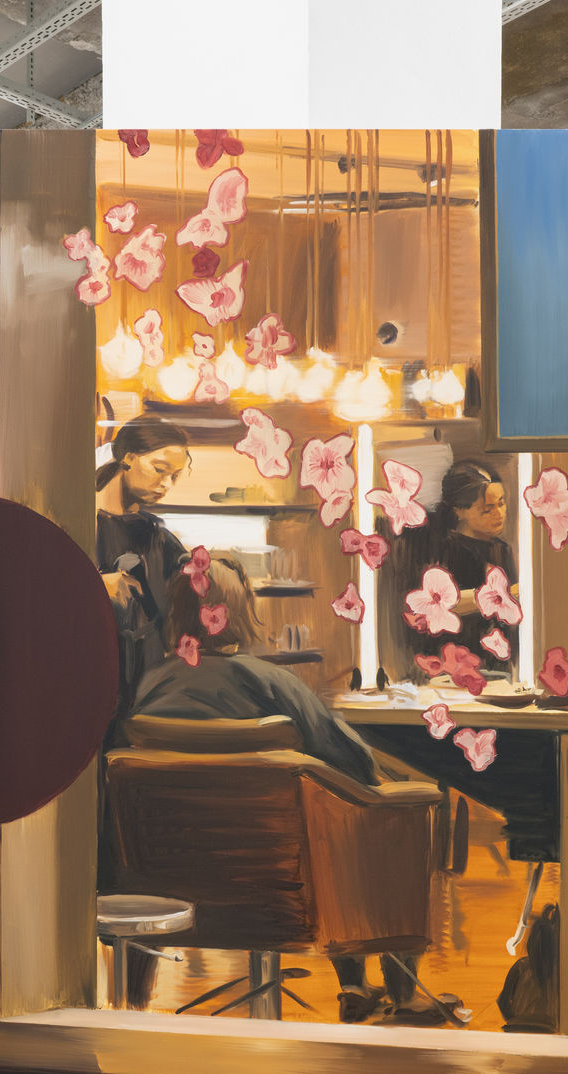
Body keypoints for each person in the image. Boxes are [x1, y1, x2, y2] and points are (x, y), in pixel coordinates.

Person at [134, 553, 448, 1024]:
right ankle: (394, 991)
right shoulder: (272, 683)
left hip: (177, 888)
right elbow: (354, 762)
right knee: (377, 817)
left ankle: (358, 986)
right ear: (241, 612)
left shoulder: (150, 688)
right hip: (284, 887)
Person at [96, 417, 192, 721]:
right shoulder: (80, 521)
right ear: (128, 457)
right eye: (160, 470)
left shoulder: (158, 537)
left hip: (146, 691)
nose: (166, 484)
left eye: (175, 476)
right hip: (95, 682)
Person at [416, 459, 519, 666]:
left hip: (498, 658)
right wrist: (495, 597)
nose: (499, 514)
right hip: (454, 654)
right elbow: (434, 607)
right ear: (459, 511)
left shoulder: (502, 550)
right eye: (487, 509)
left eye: (501, 503)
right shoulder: (443, 549)